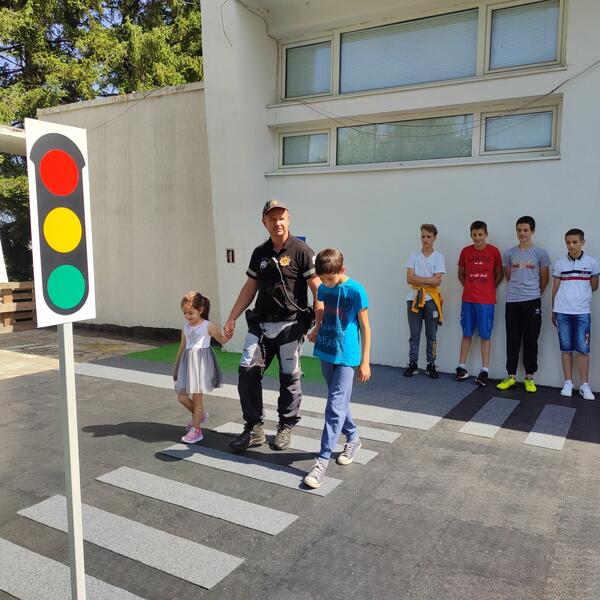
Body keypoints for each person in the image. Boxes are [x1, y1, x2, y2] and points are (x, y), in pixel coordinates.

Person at [224, 200, 322, 451]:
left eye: (281, 218)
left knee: (289, 378)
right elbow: (249, 287)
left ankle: (285, 426)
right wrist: (232, 317)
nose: (277, 223)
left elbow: (317, 289)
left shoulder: (302, 251)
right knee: (247, 372)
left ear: (288, 219)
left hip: (291, 326)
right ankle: (254, 428)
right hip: (260, 326)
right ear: (264, 222)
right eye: (272, 219)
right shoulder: (260, 252)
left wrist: (319, 323)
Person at [304, 248, 371, 489]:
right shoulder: (323, 287)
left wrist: (365, 361)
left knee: (334, 406)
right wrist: (317, 328)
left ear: (342, 270)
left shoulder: (356, 291)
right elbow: (321, 309)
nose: (326, 283)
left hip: (347, 356)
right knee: (338, 401)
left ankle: (321, 461)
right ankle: (353, 437)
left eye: (330, 278)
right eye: (322, 278)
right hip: (325, 350)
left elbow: (365, 327)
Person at [497, 216, 550, 393]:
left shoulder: (541, 253)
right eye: (519, 230)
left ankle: (529, 377)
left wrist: (534, 294)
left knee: (531, 340)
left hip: (532, 301)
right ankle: (511, 376)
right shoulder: (509, 253)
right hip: (512, 302)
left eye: (525, 230)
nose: (522, 233)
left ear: (532, 231)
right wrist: (518, 292)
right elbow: (509, 276)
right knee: (512, 339)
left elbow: (544, 278)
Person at [173, 291, 228, 444]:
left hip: (201, 365)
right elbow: (182, 347)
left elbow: (221, 339)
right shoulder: (186, 328)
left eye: (190, 313)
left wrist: (228, 334)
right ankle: (200, 414)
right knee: (182, 397)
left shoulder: (207, 326)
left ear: (201, 310)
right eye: (185, 313)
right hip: (187, 364)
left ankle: (196, 430)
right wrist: (176, 365)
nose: (187, 316)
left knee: (197, 399)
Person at [551, 229, 599, 400]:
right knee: (566, 348)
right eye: (568, 242)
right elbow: (555, 288)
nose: (571, 245)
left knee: (583, 349)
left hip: (582, 312)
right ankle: (568, 382)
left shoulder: (592, 263)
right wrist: (553, 311)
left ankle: (584, 385)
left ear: (582, 242)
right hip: (562, 311)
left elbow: (594, 286)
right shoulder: (559, 263)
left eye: (575, 242)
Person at [456, 221, 503, 386]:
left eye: (480, 234)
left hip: (486, 300)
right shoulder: (465, 251)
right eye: (474, 235)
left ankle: (484, 370)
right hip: (468, 299)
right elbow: (461, 273)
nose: (477, 238)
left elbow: (499, 274)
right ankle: (461, 367)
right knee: (466, 333)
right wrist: (469, 287)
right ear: (471, 235)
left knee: (485, 335)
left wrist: (489, 288)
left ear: (486, 234)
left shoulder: (494, 251)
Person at [403, 224, 445, 379]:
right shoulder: (413, 256)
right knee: (414, 333)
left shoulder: (439, 257)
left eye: (428, 236)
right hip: (414, 298)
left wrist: (419, 279)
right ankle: (413, 363)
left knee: (431, 334)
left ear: (434, 237)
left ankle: (431, 364)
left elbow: (437, 281)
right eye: (423, 236)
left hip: (432, 299)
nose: (425, 239)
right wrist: (430, 280)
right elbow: (409, 279)